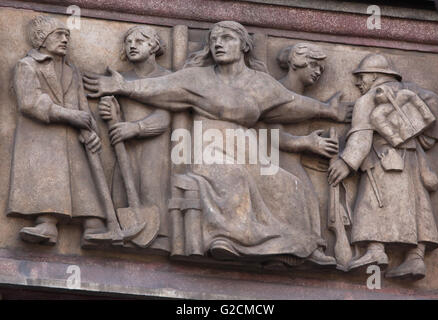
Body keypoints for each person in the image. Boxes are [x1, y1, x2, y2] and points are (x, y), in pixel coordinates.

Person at [84, 21, 352, 266]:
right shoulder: (197, 77)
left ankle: (291, 248)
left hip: (249, 153)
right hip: (210, 151)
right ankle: (224, 240)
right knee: (230, 177)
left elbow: (292, 104)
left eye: (227, 38)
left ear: (244, 45)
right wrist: (121, 87)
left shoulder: (260, 83)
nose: (218, 44)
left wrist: (329, 111)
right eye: (214, 40)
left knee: (287, 185)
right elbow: (159, 87)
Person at [328, 53, 438, 279]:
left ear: (376, 76)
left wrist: (346, 163)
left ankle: (375, 251)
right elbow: (432, 122)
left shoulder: (368, 100)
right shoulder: (413, 93)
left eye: (362, 77)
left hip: (382, 161)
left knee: (373, 203)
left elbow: (361, 137)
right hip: (411, 160)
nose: (358, 82)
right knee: (417, 205)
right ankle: (415, 258)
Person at [7, 15, 108, 246]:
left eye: (67, 36)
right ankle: (47, 223)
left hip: (73, 138)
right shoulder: (27, 65)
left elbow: (83, 107)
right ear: (42, 39)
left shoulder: (72, 71)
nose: (65, 40)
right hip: (43, 138)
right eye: (59, 35)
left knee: (83, 180)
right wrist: (70, 116)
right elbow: (30, 102)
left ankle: (94, 226)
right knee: (48, 179)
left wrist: (93, 132)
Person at [98, 25, 172, 251]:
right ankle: (125, 233)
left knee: (152, 186)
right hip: (124, 144)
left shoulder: (167, 78)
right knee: (122, 186)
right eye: (128, 42)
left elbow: (165, 115)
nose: (132, 45)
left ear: (154, 46)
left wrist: (137, 128)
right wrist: (111, 112)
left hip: (155, 146)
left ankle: (159, 237)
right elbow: (116, 112)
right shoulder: (121, 78)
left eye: (139, 41)